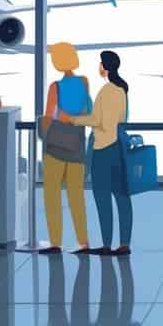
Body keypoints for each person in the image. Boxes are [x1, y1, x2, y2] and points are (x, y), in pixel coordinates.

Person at [65, 50, 131, 256]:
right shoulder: (122, 90)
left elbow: (97, 121)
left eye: (100, 63)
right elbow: (121, 118)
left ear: (105, 67)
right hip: (118, 148)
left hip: (103, 149)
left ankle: (106, 245)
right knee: (122, 197)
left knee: (103, 199)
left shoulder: (106, 91)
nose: (98, 67)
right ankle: (124, 244)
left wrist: (74, 119)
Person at [40, 42, 92, 256]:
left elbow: (49, 115)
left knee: (52, 196)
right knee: (76, 197)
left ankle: (56, 243)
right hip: (77, 147)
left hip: (56, 150)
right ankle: (83, 242)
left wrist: (44, 128)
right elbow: (86, 110)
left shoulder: (55, 87)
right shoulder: (84, 82)